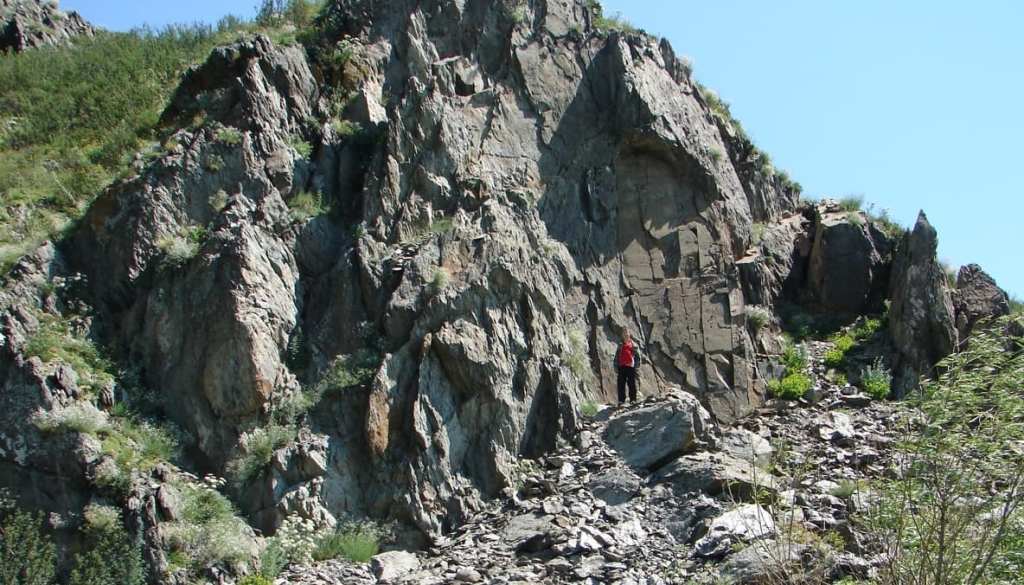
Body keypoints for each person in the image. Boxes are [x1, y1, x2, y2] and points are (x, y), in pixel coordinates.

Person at [614, 327, 640, 404]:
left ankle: (633, 399)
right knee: (621, 384)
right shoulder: (620, 345)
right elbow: (616, 356)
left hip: (631, 366)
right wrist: (615, 366)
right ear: (622, 335)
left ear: (629, 334)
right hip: (622, 366)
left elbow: (638, 356)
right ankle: (621, 400)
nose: (625, 334)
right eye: (624, 333)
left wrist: (637, 366)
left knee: (631, 383)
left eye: (627, 332)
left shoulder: (634, 345)